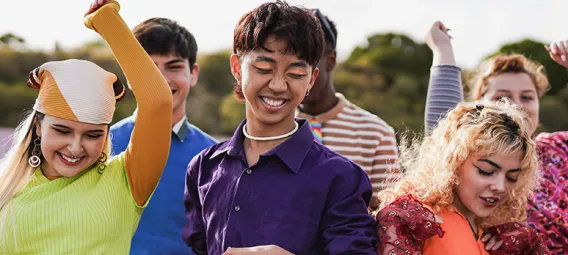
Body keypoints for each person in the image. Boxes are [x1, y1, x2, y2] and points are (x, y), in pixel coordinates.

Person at [182, 1, 377, 254]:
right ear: (237, 69)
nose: (277, 85)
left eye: (295, 74)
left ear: (311, 80)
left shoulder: (342, 178)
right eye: (264, 68)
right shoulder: (204, 168)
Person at [0, 0, 172, 253]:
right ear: (38, 126)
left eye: (93, 135)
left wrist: (106, 20)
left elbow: (158, 101)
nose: (75, 147)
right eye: (62, 130)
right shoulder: (6, 190)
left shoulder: (126, 181)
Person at [424, 20, 568, 254]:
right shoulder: (466, 155)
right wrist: (443, 52)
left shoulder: (559, 149)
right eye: (502, 97)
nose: (516, 105)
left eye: (527, 97)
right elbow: (443, 123)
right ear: (479, 104)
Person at [376, 101, 549, 254]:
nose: (500, 186)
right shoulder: (409, 218)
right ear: (454, 162)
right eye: (486, 170)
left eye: (512, 177)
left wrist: (531, 245)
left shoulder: (501, 238)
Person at [110, 15, 216, 255]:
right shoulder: (101, 145)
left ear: (193, 73)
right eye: (148, 68)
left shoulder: (215, 157)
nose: (161, 80)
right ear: (130, 75)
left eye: (174, 66)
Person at [296, 10, 399, 208]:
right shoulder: (271, 129)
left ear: (331, 60)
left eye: (307, 60)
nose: (298, 72)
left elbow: (389, 218)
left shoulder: (377, 132)